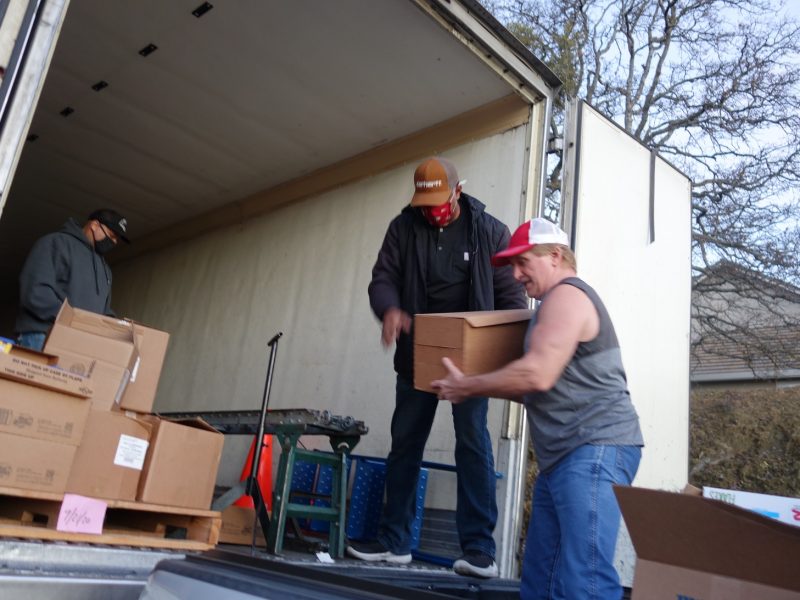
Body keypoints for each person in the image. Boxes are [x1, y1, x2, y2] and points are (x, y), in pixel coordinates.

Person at [431, 218, 644, 599]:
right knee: (542, 578)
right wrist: (473, 386)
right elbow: (536, 388)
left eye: (522, 262)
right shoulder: (550, 307)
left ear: (555, 256)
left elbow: (537, 375)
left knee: (586, 580)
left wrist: (469, 384)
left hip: (595, 449)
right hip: (564, 457)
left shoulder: (567, 296)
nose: (515, 275)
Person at [346, 156, 527, 578]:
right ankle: (395, 542)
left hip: (472, 358)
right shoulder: (403, 228)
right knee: (405, 441)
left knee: (473, 442)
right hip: (417, 353)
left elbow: (511, 297)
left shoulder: (489, 231)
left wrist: (503, 349)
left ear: (458, 192)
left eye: (440, 203)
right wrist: (389, 309)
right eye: (425, 205)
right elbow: (383, 278)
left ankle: (479, 549)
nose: (432, 211)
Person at [15, 208, 130, 351]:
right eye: (112, 235)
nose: (114, 242)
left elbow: (104, 311)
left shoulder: (105, 270)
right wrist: (73, 319)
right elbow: (35, 292)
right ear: (94, 225)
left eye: (116, 239)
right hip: (43, 336)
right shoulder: (56, 243)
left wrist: (116, 327)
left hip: (78, 345)